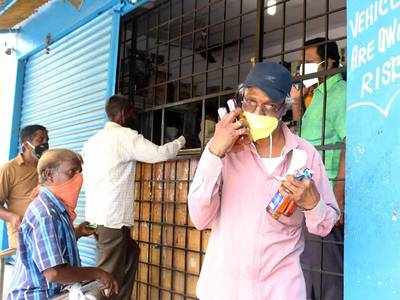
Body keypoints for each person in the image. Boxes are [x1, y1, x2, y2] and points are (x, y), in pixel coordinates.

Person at [188, 62, 339, 299]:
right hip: (223, 289)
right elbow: (199, 217)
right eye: (250, 102)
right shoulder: (225, 149)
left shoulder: (305, 155)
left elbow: (325, 225)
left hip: (280, 291)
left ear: (283, 109)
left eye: (269, 106)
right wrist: (214, 152)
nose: (258, 113)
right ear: (241, 100)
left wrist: (312, 203)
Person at [83, 94, 186, 300]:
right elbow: (159, 153)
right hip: (111, 218)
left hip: (96, 216)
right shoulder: (125, 136)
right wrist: (183, 140)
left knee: (131, 254)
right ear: (122, 114)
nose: (135, 116)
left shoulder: (92, 141)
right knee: (107, 274)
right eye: (132, 112)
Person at [7, 149, 119, 299]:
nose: (78, 179)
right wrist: (97, 272)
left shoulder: (56, 208)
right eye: (71, 172)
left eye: (79, 173)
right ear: (49, 175)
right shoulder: (46, 214)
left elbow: (51, 244)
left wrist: (77, 232)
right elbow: (54, 272)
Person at [291, 38, 346, 300]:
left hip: (327, 200)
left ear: (330, 62)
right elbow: (303, 139)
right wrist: (298, 103)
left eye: (310, 62)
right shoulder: (317, 97)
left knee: (327, 278)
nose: (304, 68)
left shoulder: (340, 94)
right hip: (308, 199)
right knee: (310, 272)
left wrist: (340, 195)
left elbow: (350, 141)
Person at [0, 125, 48, 249]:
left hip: (46, 232)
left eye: (47, 140)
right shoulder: (9, 169)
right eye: (40, 140)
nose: (45, 144)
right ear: (25, 145)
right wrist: (12, 217)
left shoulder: (46, 167)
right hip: (22, 236)